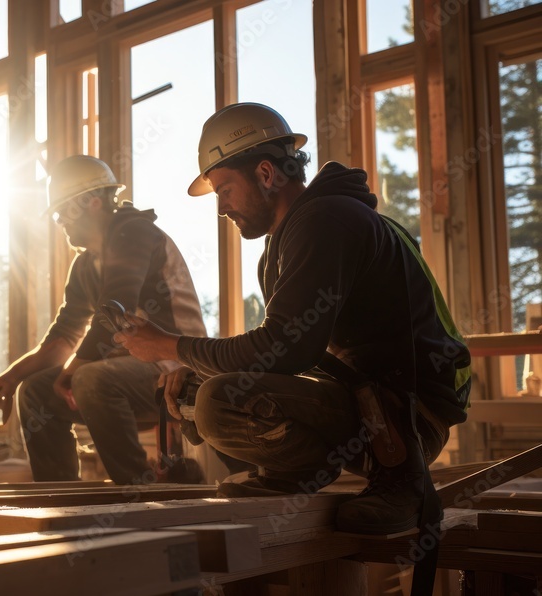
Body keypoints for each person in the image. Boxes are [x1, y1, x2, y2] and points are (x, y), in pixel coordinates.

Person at [115, 103, 471, 534]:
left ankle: (402, 484)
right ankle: (297, 475)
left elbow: (283, 348)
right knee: (200, 386)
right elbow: (291, 349)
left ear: (266, 174)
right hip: (367, 403)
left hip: (406, 423)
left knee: (218, 400)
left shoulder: (326, 220)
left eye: (225, 190)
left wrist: (171, 346)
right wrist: (192, 364)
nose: (222, 208)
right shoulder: (294, 238)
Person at [0, 155, 207, 486]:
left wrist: (73, 371)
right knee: (34, 391)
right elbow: (63, 337)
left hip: (176, 370)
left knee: (90, 379)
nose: (59, 220)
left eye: (63, 210)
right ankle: (61, 497)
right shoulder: (84, 266)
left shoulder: (135, 232)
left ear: (91, 203)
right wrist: (14, 375)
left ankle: (140, 492)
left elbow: (113, 315)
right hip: (122, 375)